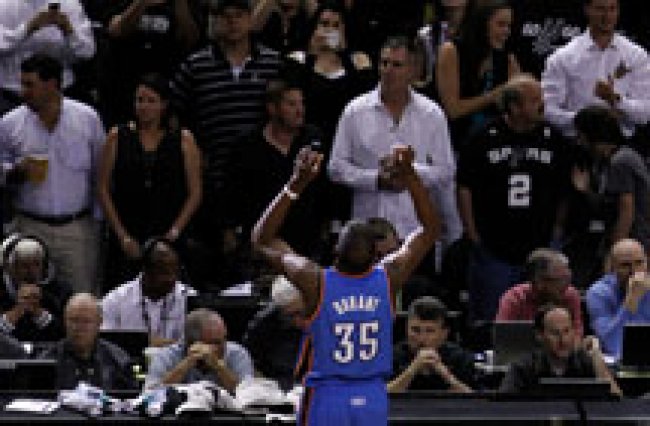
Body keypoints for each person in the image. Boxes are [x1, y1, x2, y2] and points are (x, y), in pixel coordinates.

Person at [251, 142, 440, 424]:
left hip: (328, 395)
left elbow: (262, 240)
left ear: (335, 251)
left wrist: (296, 184)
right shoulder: (388, 277)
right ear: (376, 256)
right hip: (372, 395)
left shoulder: (315, 281)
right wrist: (410, 175)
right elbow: (430, 229)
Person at [456, 74, 573, 322]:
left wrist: (557, 230)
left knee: (544, 319)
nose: (542, 105)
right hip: (494, 247)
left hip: (541, 246)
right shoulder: (482, 137)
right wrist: (472, 233)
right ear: (514, 106)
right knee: (492, 320)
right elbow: (465, 187)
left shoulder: (554, 139)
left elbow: (564, 190)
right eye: (535, 100)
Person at [328, 35, 459, 248]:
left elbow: (446, 171)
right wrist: (376, 179)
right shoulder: (355, 111)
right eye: (384, 63)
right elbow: (336, 168)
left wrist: (409, 172)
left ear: (413, 71)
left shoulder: (432, 114)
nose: (388, 70)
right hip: (367, 234)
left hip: (415, 231)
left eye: (397, 65)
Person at [0, 54, 104, 295]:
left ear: (52, 84)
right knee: (26, 296)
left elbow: (100, 172)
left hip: (77, 229)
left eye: (30, 85)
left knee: (82, 297)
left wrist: (97, 224)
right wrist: (13, 172)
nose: (23, 92)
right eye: (22, 84)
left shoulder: (87, 119)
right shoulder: (9, 124)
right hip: (29, 226)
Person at [98, 73, 202, 290]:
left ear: (164, 105)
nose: (144, 106)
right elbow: (103, 188)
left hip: (169, 228)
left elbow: (195, 192)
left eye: (151, 101)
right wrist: (122, 236)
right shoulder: (117, 136)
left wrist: (174, 232)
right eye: (140, 100)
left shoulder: (183, 139)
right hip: (129, 229)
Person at [224, 79, 326, 260]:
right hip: (262, 239)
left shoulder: (312, 138)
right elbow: (232, 193)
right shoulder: (247, 144)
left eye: (301, 103)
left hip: (307, 240)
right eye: (291, 104)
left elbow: (325, 188)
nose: (300, 110)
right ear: (272, 108)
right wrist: (230, 230)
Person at [542, 0, 650, 139]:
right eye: (600, 9)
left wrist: (617, 100)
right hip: (575, 142)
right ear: (587, 10)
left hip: (621, 144)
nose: (607, 16)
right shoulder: (562, 57)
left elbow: (645, 114)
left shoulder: (637, 56)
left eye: (612, 9)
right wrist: (586, 120)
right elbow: (547, 109)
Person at [435, 0, 520, 150]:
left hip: (495, 143)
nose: (507, 31)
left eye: (509, 26)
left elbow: (517, 105)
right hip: (454, 141)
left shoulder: (507, 59)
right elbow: (453, 110)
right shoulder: (451, 51)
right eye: (501, 24)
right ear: (482, 24)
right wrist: (497, 94)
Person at [103, 0, 200, 126]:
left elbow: (191, 39)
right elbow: (115, 30)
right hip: (125, 87)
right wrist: (141, 3)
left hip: (168, 87)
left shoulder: (184, 4)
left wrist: (180, 4)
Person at [572, 105, 650, 251]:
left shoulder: (621, 161)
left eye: (580, 135)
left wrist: (615, 252)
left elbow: (626, 212)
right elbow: (608, 206)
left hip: (635, 246)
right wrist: (586, 190)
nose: (579, 141)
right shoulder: (604, 162)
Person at [499, 304, 621, 396]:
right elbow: (503, 407)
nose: (563, 340)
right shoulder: (523, 368)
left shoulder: (587, 363)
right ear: (540, 335)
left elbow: (616, 402)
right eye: (555, 333)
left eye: (567, 331)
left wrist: (596, 356)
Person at [0, 0, 95, 115]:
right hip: (11, 96)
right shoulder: (3, 5)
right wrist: (28, 28)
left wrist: (68, 31)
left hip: (62, 95)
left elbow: (87, 52)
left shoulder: (70, 4)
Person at [101, 238, 195, 346]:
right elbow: (104, 343)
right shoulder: (115, 300)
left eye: (175, 271)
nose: (171, 278)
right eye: (164, 272)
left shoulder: (190, 298)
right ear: (145, 269)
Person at [40, 293, 138, 390]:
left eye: (86, 321)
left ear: (99, 323)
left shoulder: (118, 361)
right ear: (64, 321)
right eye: (74, 320)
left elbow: (133, 395)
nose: (79, 327)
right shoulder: (47, 361)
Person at [145, 308, 254, 393]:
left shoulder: (237, 354)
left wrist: (219, 367)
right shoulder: (167, 355)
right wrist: (187, 363)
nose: (222, 347)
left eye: (224, 339)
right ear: (191, 342)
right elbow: (150, 395)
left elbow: (247, 395)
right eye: (215, 343)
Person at [388, 296, 475, 393]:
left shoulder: (460, 359)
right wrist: (412, 370)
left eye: (430, 331)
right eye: (415, 330)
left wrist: (446, 376)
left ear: (444, 334)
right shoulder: (390, 357)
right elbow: (379, 396)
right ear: (406, 329)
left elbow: (476, 399)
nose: (421, 338)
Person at [496, 248, 584, 336]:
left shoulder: (570, 295)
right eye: (561, 280)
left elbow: (577, 335)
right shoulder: (514, 299)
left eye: (568, 278)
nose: (567, 284)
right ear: (539, 282)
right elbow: (501, 337)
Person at [0, 234, 71, 342]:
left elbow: (65, 334)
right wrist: (19, 310)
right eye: (24, 265)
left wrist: (38, 312)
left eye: (37, 264)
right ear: (11, 268)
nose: (31, 271)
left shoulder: (61, 291)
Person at [586, 239, 650, 359]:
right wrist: (632, 299)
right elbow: (613, 345)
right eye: (625, 265)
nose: (634, 272)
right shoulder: (598, 293)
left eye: (639, 263)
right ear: (613, 268)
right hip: (618, 364)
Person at [242, 275, 307, 391]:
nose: (298, 321)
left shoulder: (330, 313)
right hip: (277, 385)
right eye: (290, 316)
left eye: (301, 313)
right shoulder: (262, 324)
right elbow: (251, 363)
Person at [251, 0, 316, 54]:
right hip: (265, 57)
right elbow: (253, 27)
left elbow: (317, 14)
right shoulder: (266, 8)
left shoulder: (306, 12)